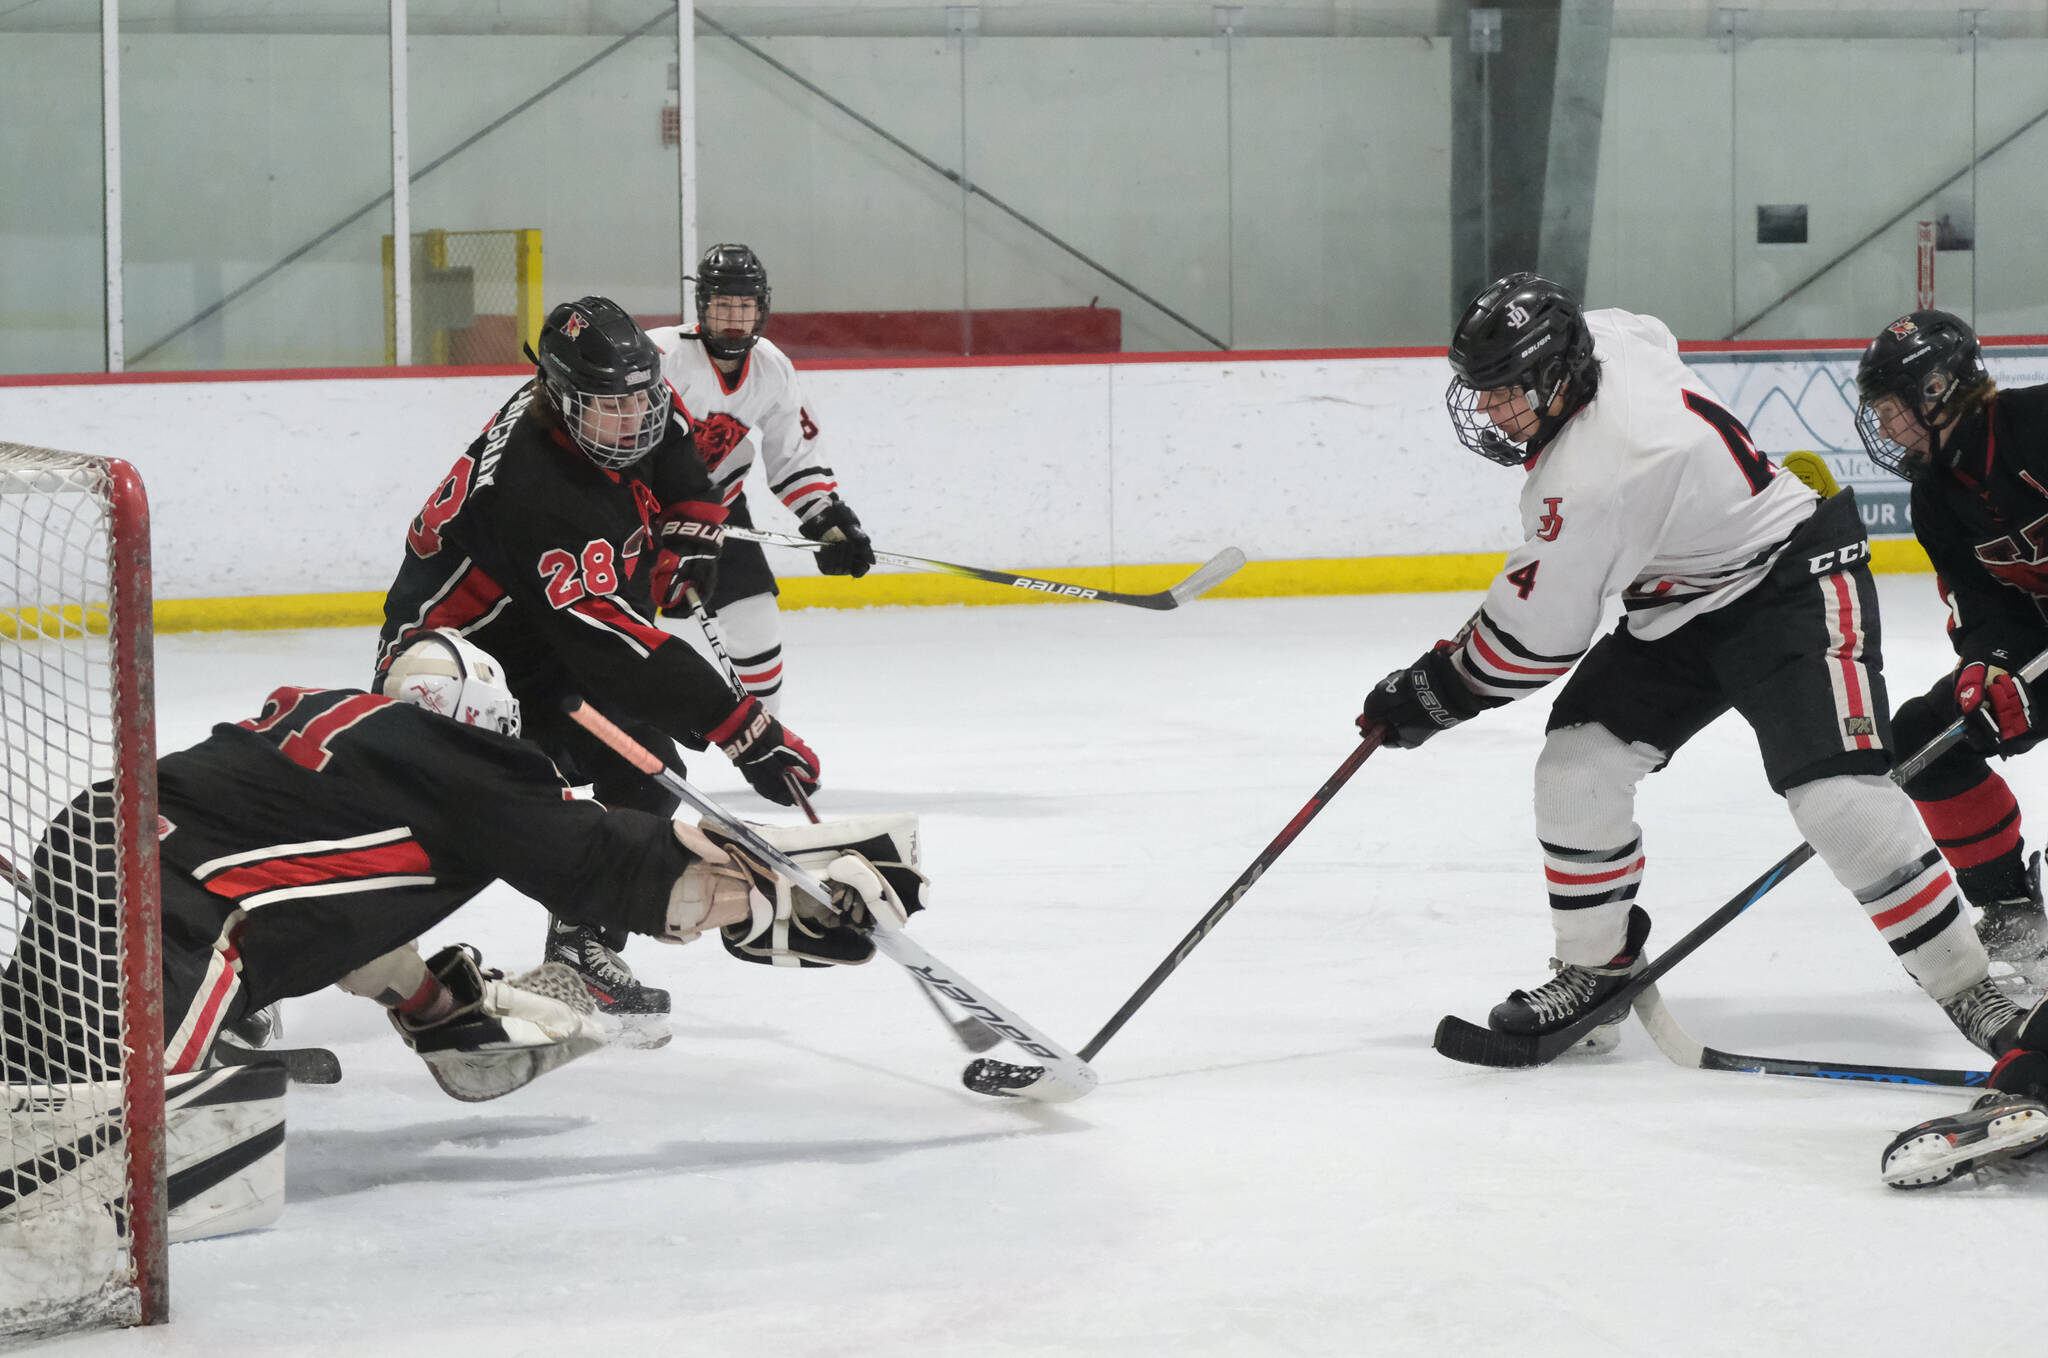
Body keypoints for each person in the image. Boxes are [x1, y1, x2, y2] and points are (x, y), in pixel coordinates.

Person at [1358, 272, 2027, 1062]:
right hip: (1680, 603)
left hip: (1790, 583)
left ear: (1556, 376)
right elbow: (1654, 329)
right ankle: (1595, 968)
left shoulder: (1595, 475)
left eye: (1507, 392)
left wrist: (1432, 691)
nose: (1490, 412)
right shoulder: (1602, 336)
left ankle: (1969, 988)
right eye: (1483, 391)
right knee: (1576, 769)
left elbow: (1530, 644)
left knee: (1838, 799)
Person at [0, 629, 926, 1105]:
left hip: (91, 851)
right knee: (112, 1141)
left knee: (28, 1050)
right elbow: (603, 858)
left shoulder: (338, 728)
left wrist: (432, 1004)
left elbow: (337, 915)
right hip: (170, 912)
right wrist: (773, 881)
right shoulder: (461, 764)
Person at [377, 295, 823, 1024]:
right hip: (458, 669)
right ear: (556, 395)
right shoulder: (539, 486)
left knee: (645, 768)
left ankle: (580, 950)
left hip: (542, 649)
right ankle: (311, 939)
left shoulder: (622, 396)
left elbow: (674, 438)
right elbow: (615, 650)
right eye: (609, 408)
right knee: (468, 826)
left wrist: (689, 528)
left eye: (639, 398)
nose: (633, 420)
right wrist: (742, 727)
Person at [1848, 309, 2048, 1188]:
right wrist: (1990, 671)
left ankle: (2032, 1071)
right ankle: (2010, 905)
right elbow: (1986, 612)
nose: (1885, 427)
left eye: (1893, 408)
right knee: (1928, 740)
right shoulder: (1939, 495)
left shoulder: (2039, 423)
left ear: (1939, 389)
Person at [645, 243, 876, 715]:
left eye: (745, 307)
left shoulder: (772, 368)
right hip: (634, 513)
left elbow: (794, 458)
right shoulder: (661, 355)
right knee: (617, 630)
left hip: (715, 508)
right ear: (702, 308)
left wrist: (829, 522)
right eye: (723, 305)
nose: (734, 318)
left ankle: (765, 734)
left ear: (762, 310)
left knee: (755, 619)